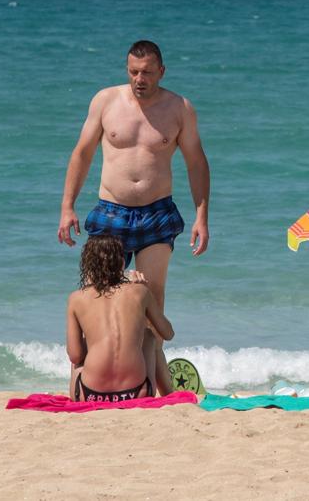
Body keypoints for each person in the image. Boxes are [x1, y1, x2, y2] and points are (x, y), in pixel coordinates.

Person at [57, 39, 210, 396]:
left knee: (151, 310)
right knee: (94, 301)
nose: (139, 79)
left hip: (157, 214)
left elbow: (197, 163)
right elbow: (82, 153)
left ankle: (160, 393)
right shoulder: (106, 101)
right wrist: (68, 206)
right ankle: (80, 391)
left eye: (147, 72)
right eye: (133, 72)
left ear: (162, 71)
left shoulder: (180, 108)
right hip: (110, 213)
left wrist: (202, 216)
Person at [67, 234, 175, 402]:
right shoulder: (140, 292)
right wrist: (144, 300)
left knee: (85, 340)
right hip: (137, 393)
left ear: (88, 266)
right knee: (148, 336)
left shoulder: (77, 298)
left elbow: (75, 356)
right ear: (122, 262)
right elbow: (168, 333)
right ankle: (169, 393)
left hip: (89, 395)